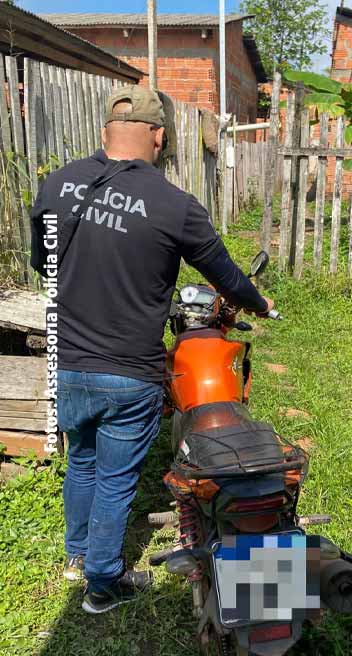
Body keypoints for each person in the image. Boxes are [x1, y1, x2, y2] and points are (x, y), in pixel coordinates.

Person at [29, 86, 272, 614]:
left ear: (104, 132)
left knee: (83, 463)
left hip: (66, 363)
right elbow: (226, 276)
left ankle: (76, 555)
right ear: (159, 137)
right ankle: (101, 584)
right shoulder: (173, 205)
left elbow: (41, 264)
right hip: (129, 370)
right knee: (116, 479)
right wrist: (258, 303)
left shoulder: (55, 186)